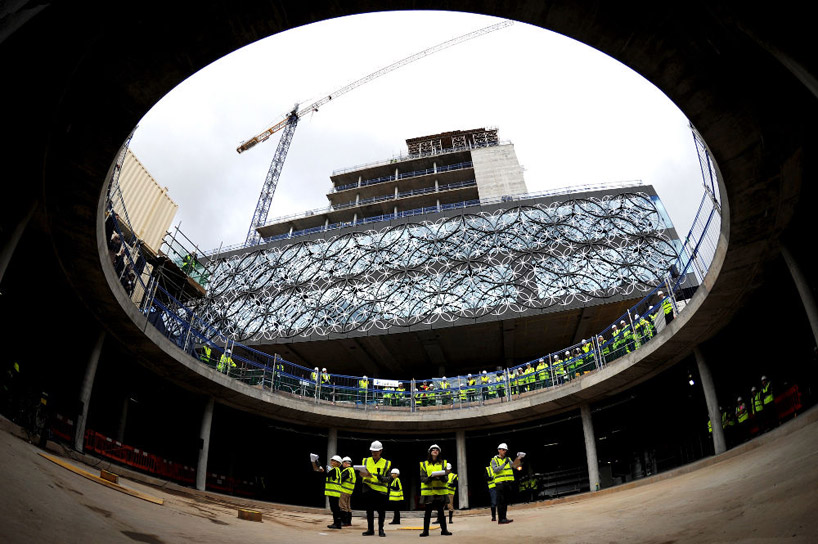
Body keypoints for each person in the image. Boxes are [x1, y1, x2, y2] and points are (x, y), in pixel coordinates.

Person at [419, 444, 452, 537]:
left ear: (439, 452)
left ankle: (444, 530)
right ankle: (425, 531)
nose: (435, 451)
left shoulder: (443, 463)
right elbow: (422, 478)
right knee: (428, 512)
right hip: (428, 492)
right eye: (433, 449)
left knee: (441, 512)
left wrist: (441, 477)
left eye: (437, 450)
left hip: (440, 492)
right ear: (430, 452)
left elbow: (446, 478)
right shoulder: (424, 464)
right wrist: (430, 478)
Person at [359, 440, 391, 537]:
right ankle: (370, 529)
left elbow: (389, 478)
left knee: (381, 511)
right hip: (368, 489)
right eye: (373, 451)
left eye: (376, 451)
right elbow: (361, 473)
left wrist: (382, 478)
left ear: (381, 451)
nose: (374, 453)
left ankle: (381, 529)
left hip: (380, 491)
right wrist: (361, 474)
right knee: (369, 511)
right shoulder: (365, 460)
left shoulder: (386, 463)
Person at [491, 442, 524, 524]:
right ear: (499, 450)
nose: (504, 451)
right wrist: (504, 464)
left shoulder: (508, 459)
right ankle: (500, 519)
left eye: (505, 450)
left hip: (507, 483)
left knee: (505, 501)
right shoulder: (494, 460)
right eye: (503, 450)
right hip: (499, 483)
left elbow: (515, 466)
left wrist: (519, 458)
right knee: (500, 502)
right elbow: (495, 470)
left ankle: (504, 518)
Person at [312, 454, 344, 530]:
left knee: (335, 508)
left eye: (333, 461)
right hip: (334, 492)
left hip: (334, 492)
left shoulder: (335, 470)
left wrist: (322, 470)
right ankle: (337, 523)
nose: (331, 461)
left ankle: (337, 524)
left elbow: (327, 475)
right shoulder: (336, 470)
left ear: (338, 463)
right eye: (331, 460)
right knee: (335, 508)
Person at [340, 456, 356, 526]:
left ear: (345, 463)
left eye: (342, 463)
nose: (342, 464)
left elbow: (340, 479)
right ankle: (349, 522)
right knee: (348, 507)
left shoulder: (347, 471)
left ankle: (344, 521)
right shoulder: (352, 470)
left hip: (344, 491)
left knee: (342, 506)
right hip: (349, 491)